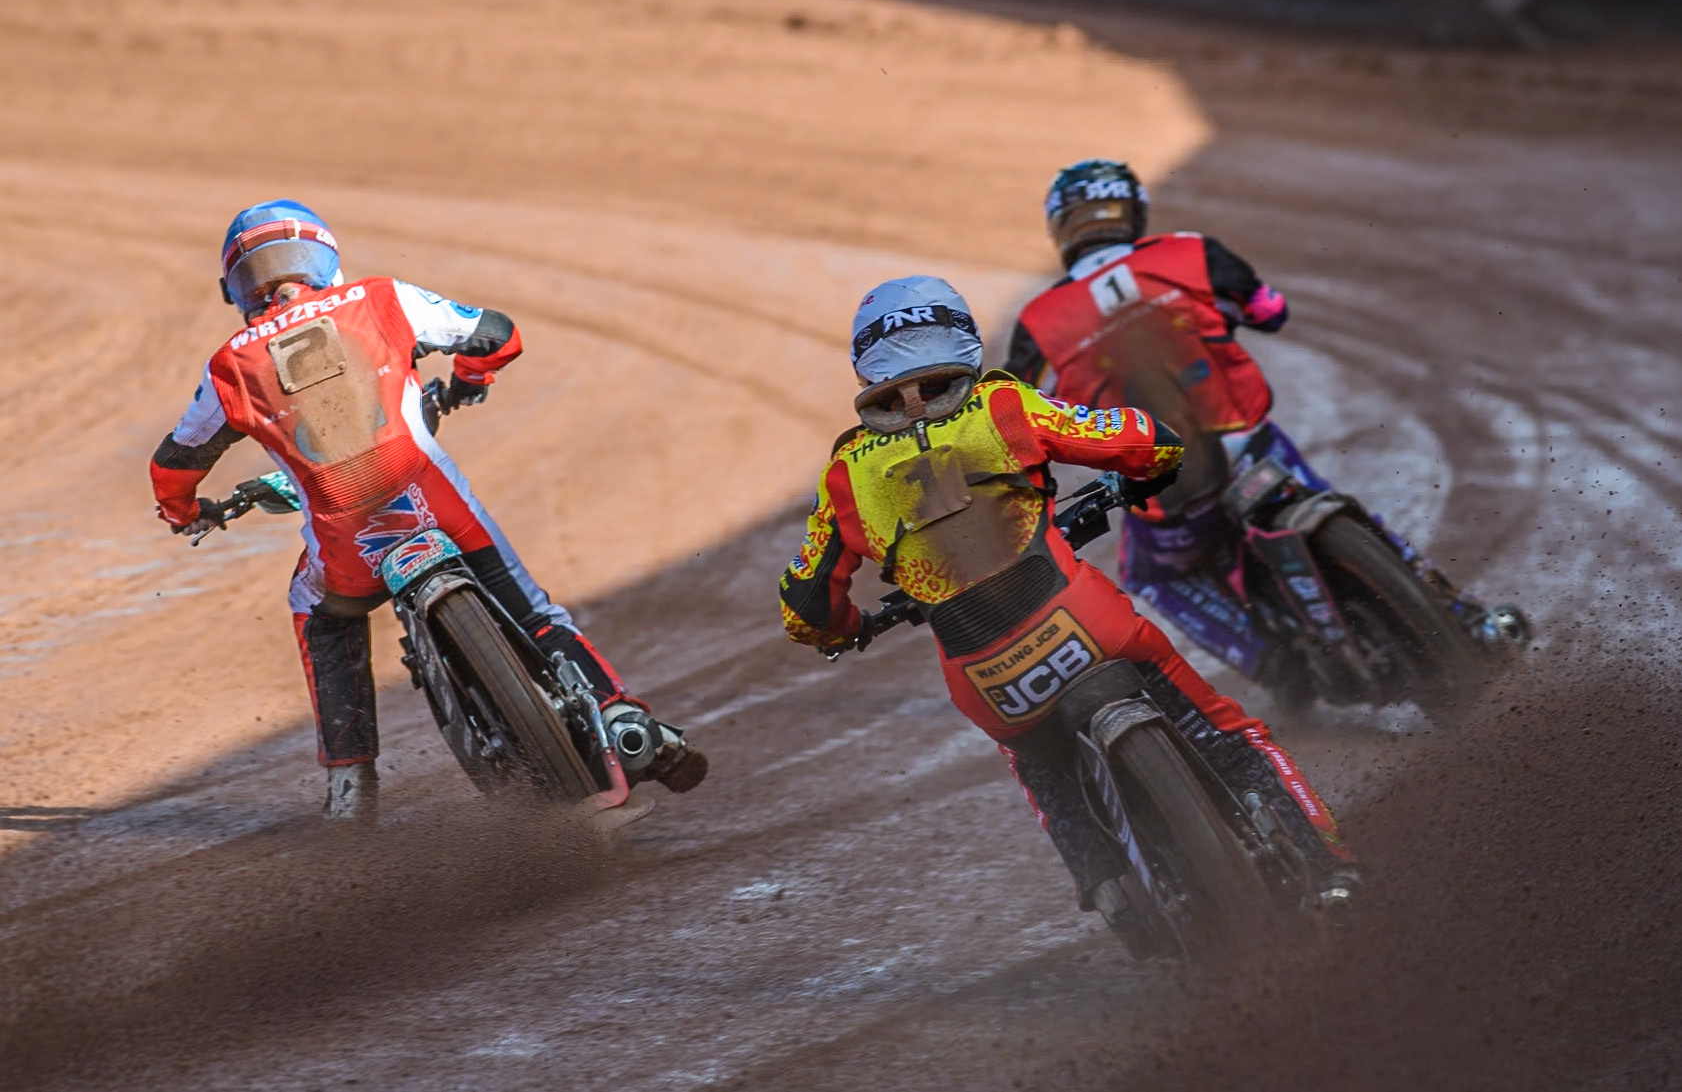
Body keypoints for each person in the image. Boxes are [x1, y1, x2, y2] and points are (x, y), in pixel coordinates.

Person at [778, 274, 1356, 949]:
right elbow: (1142, 438)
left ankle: (1113, 890)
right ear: (960, 335)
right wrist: (1153, 464)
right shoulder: (1000, 404)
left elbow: (804, 607)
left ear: (866, 364)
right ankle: (1330, 867)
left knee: (1043, 769)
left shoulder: (846, 471)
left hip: (984, 676)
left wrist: (849, 628)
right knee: (1233, 736)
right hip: (1087, 622)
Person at [150, 200, 704, 819]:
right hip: (437, 504)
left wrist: (184, 511)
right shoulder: (383, 297)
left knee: (317, 612)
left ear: (239, 287)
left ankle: (350, 785)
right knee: (535, 612)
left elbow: (172, 466)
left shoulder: (229, 364)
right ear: (326, 259)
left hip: (347, 544)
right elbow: (498, 335)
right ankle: (618, 715)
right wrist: (469, 380)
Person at [1005, 159, 1526, 700]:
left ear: (1061, 227)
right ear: (1132, 211)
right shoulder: (1191, 251)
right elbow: (1270, 311)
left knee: (1152, 577)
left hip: (1163, 489)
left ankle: (1276, 665)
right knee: (1328, 497)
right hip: (1249, 446)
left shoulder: (1038, 319)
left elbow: (1016, 419)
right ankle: (1468, 620)